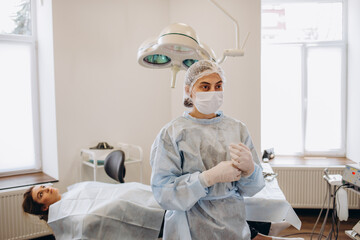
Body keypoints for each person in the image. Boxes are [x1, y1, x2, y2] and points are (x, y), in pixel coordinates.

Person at [150, 60, 266, 239]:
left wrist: (251, 170)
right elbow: (163, 192)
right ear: (189, 90)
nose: (213, 92)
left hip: (232, 225)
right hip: (188, 227)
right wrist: (206, 179)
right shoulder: (172, 133)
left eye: (218, 86)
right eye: (205, 86)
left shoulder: (237, 129)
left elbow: (251, 189)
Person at [22, 182, 166, 240]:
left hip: (125, 194)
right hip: (123, 207)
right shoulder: (70, 217)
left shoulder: (69, 194)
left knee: (134, 189)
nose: (46, 189)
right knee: (128, 200)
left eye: (42, 187)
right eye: (41, 195)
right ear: (44, 207)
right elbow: (89, 221)